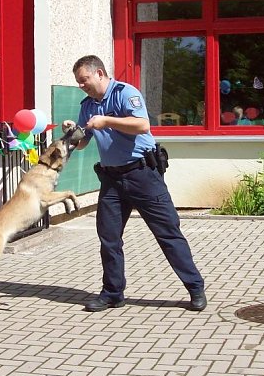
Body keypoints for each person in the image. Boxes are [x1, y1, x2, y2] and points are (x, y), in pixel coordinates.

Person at [63, 55, 207, 313]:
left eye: (84, 80)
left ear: (99, 73)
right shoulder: (87, 105)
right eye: (78, 82)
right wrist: (74, 130)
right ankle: (112, 293)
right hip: (111, 179)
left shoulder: (124, 93)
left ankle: (195, 288)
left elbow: (142, 125)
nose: (81, 85)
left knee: (168, 233)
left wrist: (106, 120)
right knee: (109, 238)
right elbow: (83, 142)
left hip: (143, 176)